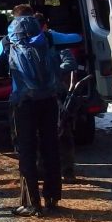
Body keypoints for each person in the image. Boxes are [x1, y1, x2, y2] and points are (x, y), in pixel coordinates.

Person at [6, 4, 62, 216]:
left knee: (26, 150)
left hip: (23, 101)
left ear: (15, 19)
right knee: (50, 146)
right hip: (48, 98)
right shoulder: (47, 37)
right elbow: (74, 40)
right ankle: (52, 197)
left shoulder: (9, 40)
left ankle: (32, 203)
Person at [35, 13, 83, 183]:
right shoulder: (29, 43)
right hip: (38, 94)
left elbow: (70, 63)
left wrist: (52, 72)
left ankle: (68, 171)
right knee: (39, 133)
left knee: (63, 132)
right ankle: (42, 170)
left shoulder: (57, 42)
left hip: (56, 93)